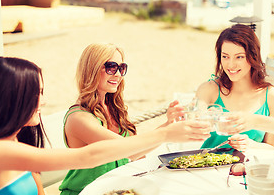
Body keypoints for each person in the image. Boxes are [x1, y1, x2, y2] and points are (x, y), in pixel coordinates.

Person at [0, 56, 210, 195]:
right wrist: (165, 134)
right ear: (14, 98)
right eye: (37, 93)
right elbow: (88, 157)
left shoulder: (18, 140)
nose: (45, 100)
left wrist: (166, 129)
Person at [59, 43, 195, 194]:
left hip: (114, 190)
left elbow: (137, 153)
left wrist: (168, 125)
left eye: (121, 68)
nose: (117, 74)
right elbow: (126, 149)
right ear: (92, 70)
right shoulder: (79, 118)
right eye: (111, 67)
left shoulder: (112, 108)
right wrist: (167, 133)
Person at [195, 24, 274, 152]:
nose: (231, 65)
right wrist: (204, 119)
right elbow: (193, 124)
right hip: (207, 167)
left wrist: (250, 145)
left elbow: (271, 147)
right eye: (225, 56)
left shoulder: (272, 96)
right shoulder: (209, 90)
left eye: (239, 57)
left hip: (249, 169)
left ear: (252, 56)